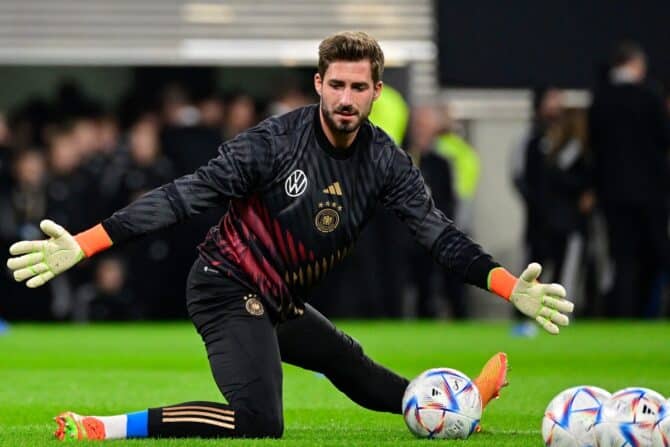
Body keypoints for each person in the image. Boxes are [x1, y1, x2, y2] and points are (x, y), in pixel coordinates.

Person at [6, 31, 573, 441]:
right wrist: (85, 242)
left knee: (358, 372)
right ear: (319, 84)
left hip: (278, 298)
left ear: (377, 92)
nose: (347, 99)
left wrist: (507, 288)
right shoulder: (274, 143)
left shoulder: (387, 163)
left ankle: (462, 404)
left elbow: (439, 237)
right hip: (224, 285)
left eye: (359, 87)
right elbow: (184, 196)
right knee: (260, 422)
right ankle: (103, 428)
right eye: (337, 85)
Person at [589, 41, 670, 317]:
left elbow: (595, 148)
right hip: (651, 193)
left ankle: (624, 314)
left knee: (622, 259)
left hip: (613, 195)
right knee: (658, 254)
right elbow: (663, 140)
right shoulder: (651, 96)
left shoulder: (601, 99)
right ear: (636, 64)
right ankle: (652, 312)